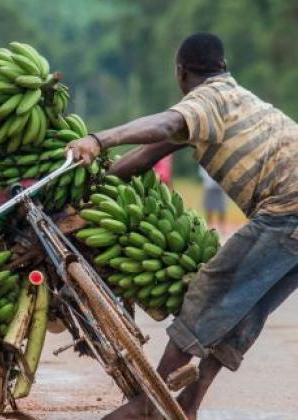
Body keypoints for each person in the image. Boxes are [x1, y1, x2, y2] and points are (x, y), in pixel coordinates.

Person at [67, 32, 298, 420]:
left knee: (211, 289)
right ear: (222, 65)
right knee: (243, 311)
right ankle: (186, 407)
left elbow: (164, 124)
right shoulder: (231, 101)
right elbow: (144, 156)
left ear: (181, 73)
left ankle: (152, 403)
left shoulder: (209, 100)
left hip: (287, 205)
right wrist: (93, 184)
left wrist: (99, 139)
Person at [199, 165, 227, 231]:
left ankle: (222, 229)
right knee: (209, 209)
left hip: (221, 187)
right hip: (209, 186)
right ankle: (208, 228)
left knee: (221, 209)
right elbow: (202, 171)